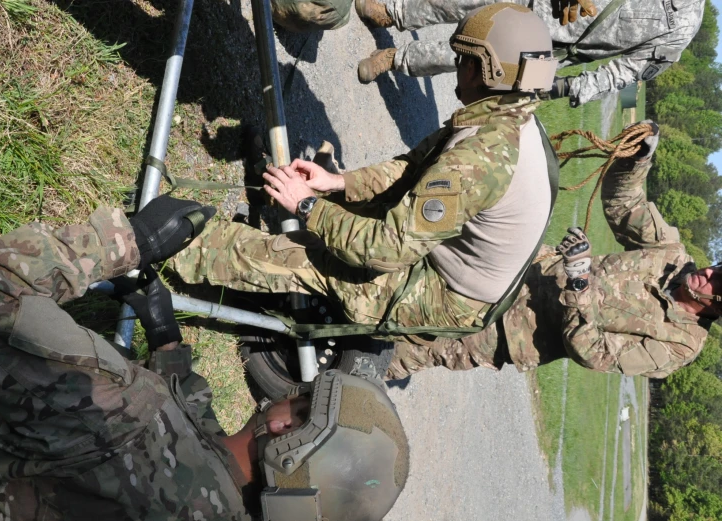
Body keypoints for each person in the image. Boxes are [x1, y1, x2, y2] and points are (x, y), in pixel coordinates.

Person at [0, 197, 409, 520]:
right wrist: (167, 342)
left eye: (304, 398)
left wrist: (128, 240)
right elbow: (203, 446)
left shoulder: (125, 417)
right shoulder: (229, 501)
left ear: (287, 429)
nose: (294, 392)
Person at [171, 4, 558, 340]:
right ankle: (274, 193)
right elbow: (411, 169)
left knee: (309, 259)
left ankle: (170, 242)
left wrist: (307, 207)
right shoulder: (505, 114)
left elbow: (384, 250)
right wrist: (338, 183)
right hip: (440, 252)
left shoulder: (481, 158)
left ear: (480, 70)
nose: (456, 70)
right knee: (334, 204)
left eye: (461, 61)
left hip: (445, 293)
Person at [387, 120, 722, 380]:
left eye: (717, 282)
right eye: (717, 268)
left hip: (504, 332)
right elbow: (624, 205)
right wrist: (637, 160)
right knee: (396, 279)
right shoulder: (672, 256)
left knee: (397, 354)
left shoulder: (680, 345)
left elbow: (594, 354)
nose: (708, 272)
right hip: (512, 267)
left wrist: (579, 284)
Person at [354, 0, 705, 107]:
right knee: (459, 1)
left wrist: (566, 88)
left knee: (467, 61)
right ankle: (395, 13)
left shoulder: (683, 28)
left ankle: (394, 59)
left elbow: (624, 73)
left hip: (549, 51)